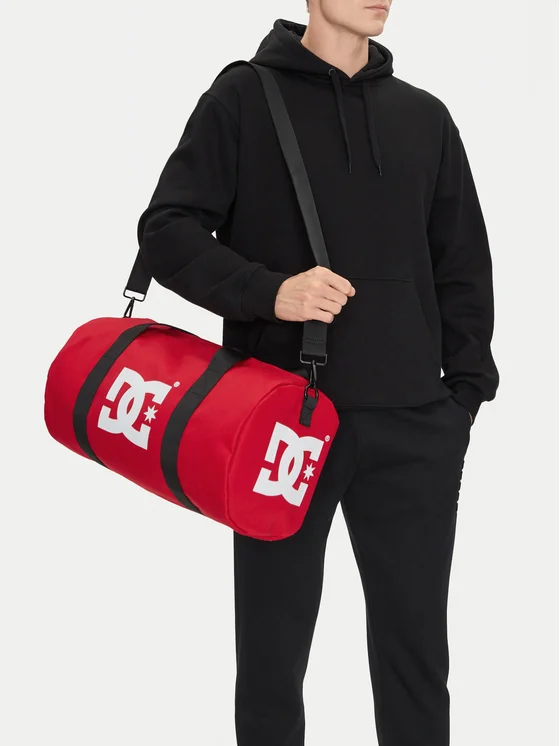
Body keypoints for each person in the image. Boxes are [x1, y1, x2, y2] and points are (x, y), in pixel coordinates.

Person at [136, 2, 500, 744]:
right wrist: (270, 292)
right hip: (280, 426)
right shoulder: (243, 97)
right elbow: (166, 230)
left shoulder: (426, 117)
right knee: (272, 662)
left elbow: (462, 264)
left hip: (415, 427)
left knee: (417, 663)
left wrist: (462, 397)